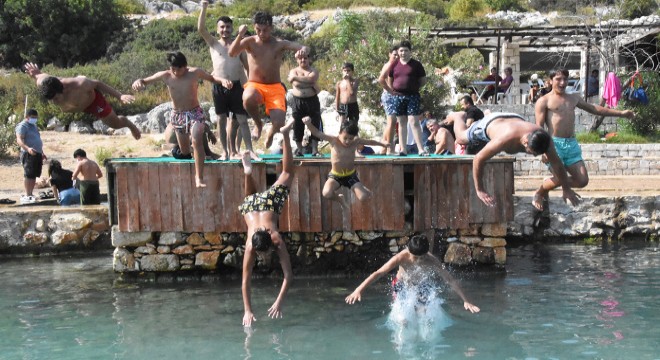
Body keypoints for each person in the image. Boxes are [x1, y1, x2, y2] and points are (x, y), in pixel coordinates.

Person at [533, 69, 635, 210]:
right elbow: (538, 127)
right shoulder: (544, 101)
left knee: (582, 181)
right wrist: (543, 149)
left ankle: (553, 182)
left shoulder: (573, 98)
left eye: (565, 79)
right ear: (550, 81)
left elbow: (595, 109)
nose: (562, 83)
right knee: (559, 178)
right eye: (558, 79)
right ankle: (540, 192)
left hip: (571, 144)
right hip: (553, 145)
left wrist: (621, 114)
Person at [451, 111, 581, 210]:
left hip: (514, 118)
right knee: (461, 138)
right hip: (491, 123)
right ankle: (457, 116)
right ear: (525, 142)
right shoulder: (504, 139)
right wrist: (480, 189)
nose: (535, 156)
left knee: (556, 165)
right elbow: (478, 159)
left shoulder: (544, 138)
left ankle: (488, 112)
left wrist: (566, 188)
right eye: (532, 152)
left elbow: (557, 164)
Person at [132, 52, 225, 188]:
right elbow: (145, 80)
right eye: (173, 69)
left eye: (179, 69)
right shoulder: (166, 75)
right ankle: (184, 150)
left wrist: (223, 81)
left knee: (196, 139)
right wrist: (138, 81)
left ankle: (199, 177)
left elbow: (211, 78)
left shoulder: (194, 73)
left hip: (195, 113)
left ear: (185, 66)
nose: (175, 72)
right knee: (185, 152)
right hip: (178, 115)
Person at [239, 121, 296, 327]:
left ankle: (286, 135)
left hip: (266, 205)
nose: (262, 257)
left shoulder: (276, 239)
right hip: (251, 207)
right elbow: (246, 282)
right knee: (249, 199)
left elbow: (288, 276)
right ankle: (247, 172)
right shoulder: (251, 246)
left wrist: (279, 302)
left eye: (263, 254)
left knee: (288, 173)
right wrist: (247, 310)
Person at [229, 11, 309, 148]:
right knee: (247, 97)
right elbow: (232, 52)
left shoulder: (279, 43)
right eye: (258, 30)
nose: (261, 33)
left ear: (271, 28)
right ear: (254, 28)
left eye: (265, 30)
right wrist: (239, 35)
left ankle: (271, 133)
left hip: (274, 87)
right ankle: (258, 124)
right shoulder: (250, 42)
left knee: (278, 123)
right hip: (255, 85)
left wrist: (302, 51)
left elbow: (303, 47)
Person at [345, 234, 480, 314]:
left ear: (426, 253)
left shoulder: (431, 260)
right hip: (402, 285)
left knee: (424, 314)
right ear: (408, 250)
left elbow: (450, 280)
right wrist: (358, 290)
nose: (418, 261)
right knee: (403, 318)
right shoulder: (401, 257)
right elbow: (379, 273)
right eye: (415, 257)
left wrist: (466, 300)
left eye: (421, 257)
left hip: (422, 285)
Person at [198, 2, 257, 160]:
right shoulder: (214, 44)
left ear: (232, 28)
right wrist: (204, 7)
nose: (225, 30)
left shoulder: (238, 46)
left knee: (242, 119)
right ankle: (225, 152)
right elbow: (201, 29)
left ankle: (250, 150)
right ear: (218, 29)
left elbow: (248, 67)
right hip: (219, 86)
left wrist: (252, 86)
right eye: (222, 27)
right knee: (221, 119)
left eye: (228, 27)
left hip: (237, 86)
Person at [23, 63, 141, 140]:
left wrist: (119, 96)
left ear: (63, 90)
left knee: (115, 124)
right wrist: (36, 73)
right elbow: (39, 76)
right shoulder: (43, 83)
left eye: (56, 98)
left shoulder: (80, 85)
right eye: (51, 100)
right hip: (76, 107)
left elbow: (98, 83)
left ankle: (129, 124)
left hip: (93, 102)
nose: (54, 102)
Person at [303, 117, 388, 209]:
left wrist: (383, 144)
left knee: (363, 197)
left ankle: (364, 190)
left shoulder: (356, 142)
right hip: (335, 176)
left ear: (354, 137)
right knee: (326, 193)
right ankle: (340, 199)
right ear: (339, 134)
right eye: (345, 138)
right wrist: (308, 124)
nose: (348, 141)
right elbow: (317, 133)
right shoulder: (333, 140)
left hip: (350, 176)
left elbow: (371, 142)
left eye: (350, 138)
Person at [380, 40, 428, 156]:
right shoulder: (394, 64)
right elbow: (390, 79)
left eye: (406, 50)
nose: (403, 53)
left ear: (410, 52)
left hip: (413, 96)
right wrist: (393, 91)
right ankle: (403, 149)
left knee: (414, 121)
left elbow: (423, 81)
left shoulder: (416, 65)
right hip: (398, 96)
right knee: (401, 122)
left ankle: (421, 149)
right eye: (401, 50)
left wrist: (413, 87)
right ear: (398, 51)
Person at [287, 51, 323, 157]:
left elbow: (312, 78)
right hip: (297, 101)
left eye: (305, 58)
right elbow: (297, 84)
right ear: (297, 60)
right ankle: (299, 150)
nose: (303, 60)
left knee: (315, 123)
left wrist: (295, 78)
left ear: (309, 59)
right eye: (301, 58)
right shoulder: (293, 70)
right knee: (298, 124)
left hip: (312, 100)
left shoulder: (313, 70)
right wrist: (308, 82)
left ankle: (315, 150)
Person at [15, 109, 46, 204]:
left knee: (34, 175)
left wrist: (42, 152)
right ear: (27, 117)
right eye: (33, 117)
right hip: (28, 153)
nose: (35, 119)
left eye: (36, 118)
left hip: (37, 153)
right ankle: (27, 194)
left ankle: (31, 194)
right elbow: (19, 140)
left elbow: (37, 139)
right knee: (28, 174)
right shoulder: (22, 126)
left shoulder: (34, 126)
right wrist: (28, 149)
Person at [378, 46, 399, 154]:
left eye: (398, 54)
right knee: (392, 121)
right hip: (389, 96)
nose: (396, 56)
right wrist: (390, 91)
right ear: (389, 54)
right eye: (394, 54)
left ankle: (384, 147)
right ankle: (390, 148)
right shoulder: (389, 65)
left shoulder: (395, 65)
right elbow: (381, 79)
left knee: (391, 122)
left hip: (393, 96)